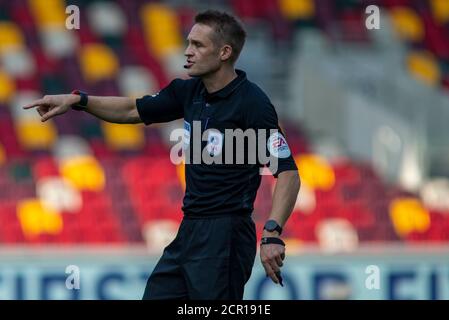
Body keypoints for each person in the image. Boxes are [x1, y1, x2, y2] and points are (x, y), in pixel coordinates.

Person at [23, 10, 300, 300]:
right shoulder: (189, 91)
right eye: (188, 43)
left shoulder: (252, 104)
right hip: (189, 229)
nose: (187, 51)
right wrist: (79, 101)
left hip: (226, 234)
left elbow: (288, 173)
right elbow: (132, 110)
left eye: (197, 45)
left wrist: (272, 232)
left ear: (224, 52)